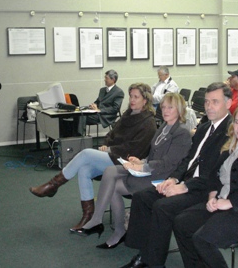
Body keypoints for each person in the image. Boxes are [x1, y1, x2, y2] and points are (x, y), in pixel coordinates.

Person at [121, 82, 232, 268]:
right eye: (206, 102)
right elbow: (188, 159)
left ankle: (153, 262)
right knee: (143, 197)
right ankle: (145, 253)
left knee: (162, 207)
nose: (209, 106)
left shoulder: (230, 132)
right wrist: (173, 178)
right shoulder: (204, 128)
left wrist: (184, 186)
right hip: (185, 180)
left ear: (228, 103)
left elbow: (216, 173)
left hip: (204, 189)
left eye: (215, 102)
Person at [72, 93, 192, 251]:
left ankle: (108, 225)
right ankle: (105, 223)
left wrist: (143, 167)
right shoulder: (164, 126)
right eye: (163, 107)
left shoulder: (181, 132)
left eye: (170, 107)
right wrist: (141, 161)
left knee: (113, 184)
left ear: (180, 109)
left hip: (161, 177)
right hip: (150, 170)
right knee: (110, 171)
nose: (165, 110)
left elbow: (168, 163)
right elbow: (154, 153)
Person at [29, 83, 157, 231]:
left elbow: (135, 149)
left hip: (128, 163)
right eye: (131, 96)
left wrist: (109, 149)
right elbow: (112, 133)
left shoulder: (148, 123)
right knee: (84, 170)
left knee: (85, 154)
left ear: (145, 100)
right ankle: (88, 215)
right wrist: (106, 145)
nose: (132, 100)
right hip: (114, 155)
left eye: (136, 97)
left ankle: (53, 185)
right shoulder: (129, 114)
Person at [173, 103, 238, 268]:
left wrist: (230, 202)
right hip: (224, 202)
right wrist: (212, 196)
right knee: (181, 223)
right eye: (237, 122)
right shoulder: (232, 146)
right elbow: (215, 175)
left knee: (202, 239)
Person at [77, 69, 124, 135]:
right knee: (79, 114)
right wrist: (93, 105)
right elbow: (97, 101)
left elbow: (115, 108)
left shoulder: (119, 92)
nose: (104, 80)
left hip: (106, 116)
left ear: (113, 79)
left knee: (82, 116)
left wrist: (99, 110)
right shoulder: (102, 90)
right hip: (97, 114)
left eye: (106, 78)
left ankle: (80, 137)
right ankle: (77, 136)